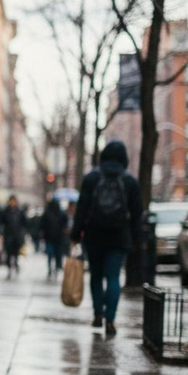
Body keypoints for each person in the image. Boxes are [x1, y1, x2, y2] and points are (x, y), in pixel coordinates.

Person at [71, 141, 142, 336]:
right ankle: (110, 319)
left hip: (94, 235)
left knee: (95, 276)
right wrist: (136, 239)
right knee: (113, 277)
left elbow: (82, 209)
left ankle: (97, 314)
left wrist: (76, 233)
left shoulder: (92, 178)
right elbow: (137, 214)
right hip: (119, 237)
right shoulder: (130, 182)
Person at [40, 197, 70, 279]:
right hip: (54, 238)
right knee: (54, 253)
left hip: (54, 238)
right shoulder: (57, 213)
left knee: (54, 254)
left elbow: (42, 224)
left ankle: (55, 267)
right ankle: (54, 267)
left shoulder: (49, 213)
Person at [0, 196, 28, 279]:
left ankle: (15, 264)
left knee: (15, 253)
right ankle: (9, 268)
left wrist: (23, 232)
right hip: (8, 235)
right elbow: (1, 222)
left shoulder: (19, 212)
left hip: (17, 236)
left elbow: (24, 223)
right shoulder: (5, 211)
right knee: (8, 253)